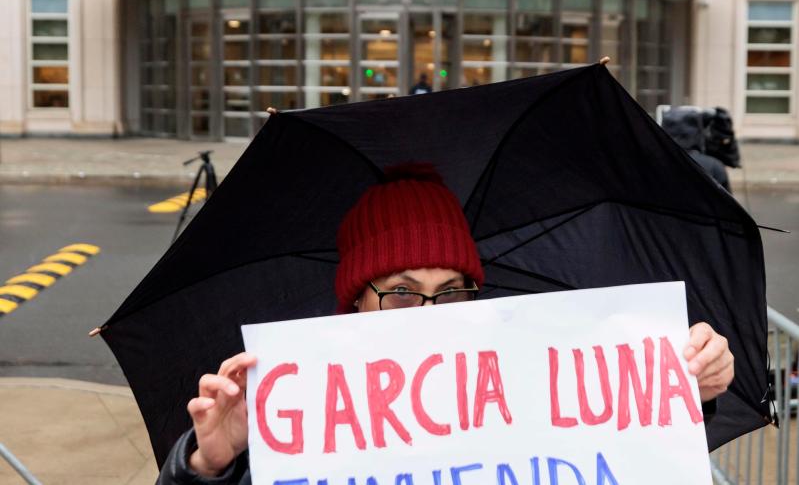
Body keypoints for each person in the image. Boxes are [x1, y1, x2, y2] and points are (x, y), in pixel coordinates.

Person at [157, 165, 735, 484]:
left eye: (451, 291)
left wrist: (686, 385)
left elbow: (624, 452)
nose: (430, 315)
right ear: (356, 301)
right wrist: (212, 463)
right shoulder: (295, 410)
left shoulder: (523, 380)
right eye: (402, 292)